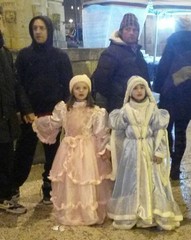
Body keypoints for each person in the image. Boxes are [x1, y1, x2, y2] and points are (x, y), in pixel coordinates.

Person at [32, 75, 113, 225]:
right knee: (70, 179)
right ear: (72, 90)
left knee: (86, 179)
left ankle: (88, 211)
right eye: (77, 88)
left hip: (88, 150)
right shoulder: (64, 109)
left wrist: (104, 149)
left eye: (84, 88)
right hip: (68, 149)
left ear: (89, 90)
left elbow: (101, 133)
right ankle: (71, 211)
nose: (81, 91)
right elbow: (54, 122)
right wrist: (38, 121)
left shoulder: (96, 111)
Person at [107, 75, 183, 230]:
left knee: (151, 179)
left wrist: (159, 151)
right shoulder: (125, 110)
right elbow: (117, 130)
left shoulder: (153, 109)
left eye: (142, 87)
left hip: (149, 149)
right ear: (129, 92)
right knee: (132, 180)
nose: (139, 91)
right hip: (132, 151)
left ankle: (152, 211)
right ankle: (132, 212)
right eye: (135, 88)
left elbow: (160, 132)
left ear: (147, 89)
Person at [13, 15, 73, 204]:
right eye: (35, 28)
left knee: (53, 155)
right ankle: (12, 187)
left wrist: (62, 111)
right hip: (30, 116)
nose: (38, 32)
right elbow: (18, 85)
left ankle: (49, 188)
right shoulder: (24, 56)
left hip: (53, 116)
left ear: (49, 30)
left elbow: (68, 85)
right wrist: (25, 109)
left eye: (42, 28)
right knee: (23, 153)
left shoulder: (60, 57)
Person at [153, 16, 191, 180]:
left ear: (176, 27)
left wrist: (158, 88)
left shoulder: (172, 42)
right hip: (188, 95)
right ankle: (176, 167)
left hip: (171, 94)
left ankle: (169, 158)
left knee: (167, 128)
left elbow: (163, 68)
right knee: (182, 131)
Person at [0, 6, 34, 214]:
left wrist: (25, 108)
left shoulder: (4, 52)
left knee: (6, 158)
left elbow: (15, 83)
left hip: (6, 117)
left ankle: (4, 196)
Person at [91, 13, 150, 112]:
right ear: (121, 31)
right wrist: (117, 95)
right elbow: (100, 82)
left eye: (135, 30)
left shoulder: (138, 53)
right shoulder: (111, 53)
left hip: (139, 106)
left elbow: (145, 78)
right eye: (127, 29)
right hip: (120, 108)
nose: (131, 32)